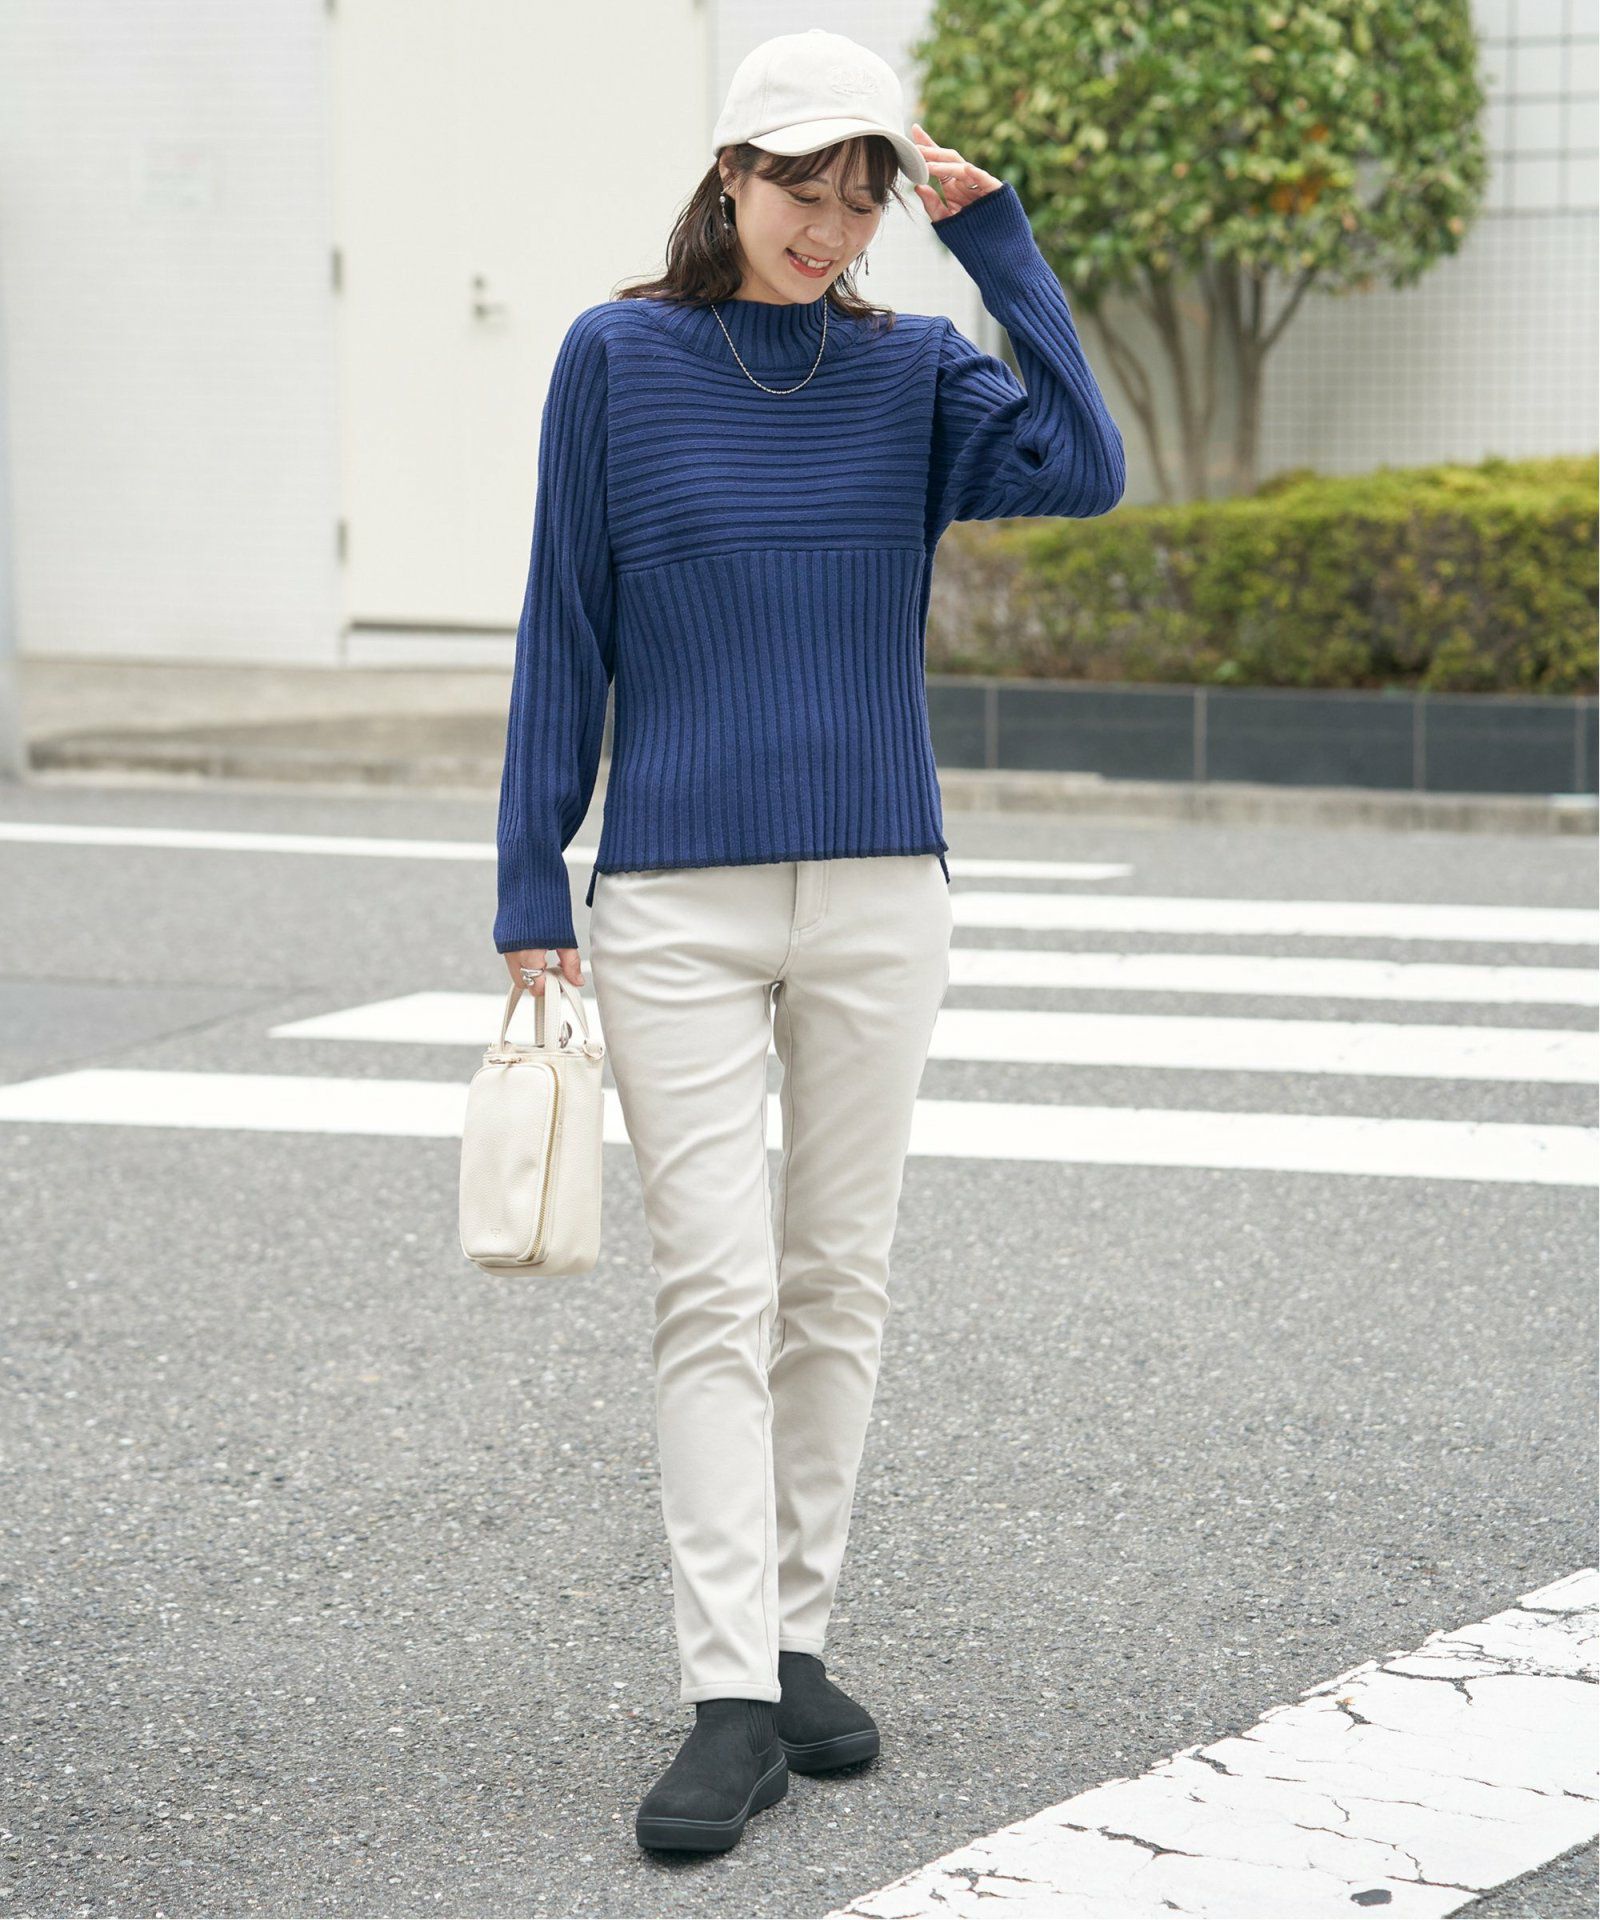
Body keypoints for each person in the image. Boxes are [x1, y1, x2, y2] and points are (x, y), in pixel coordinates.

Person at [492, 26, 1125, 1856]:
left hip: (877, 888)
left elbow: (1084, 465)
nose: (830, 228)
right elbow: (563, 619)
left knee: (836, 1280)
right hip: (675, 899)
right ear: (729, 175)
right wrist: (532, 875)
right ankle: (728, 1699)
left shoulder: (914, 370)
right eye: (801, 188)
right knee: (716, 1291)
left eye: (862, 197)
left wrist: (995, 241)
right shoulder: (615, 359)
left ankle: (793, 1640)